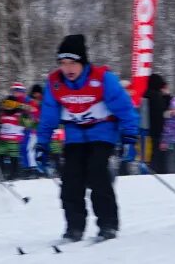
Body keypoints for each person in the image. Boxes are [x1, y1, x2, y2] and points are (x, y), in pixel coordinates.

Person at [33, 34, 140, 242]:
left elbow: (125, 109)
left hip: (103, 132)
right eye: (63, 63)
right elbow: (48, 117)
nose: (68, 69)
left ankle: (108, 224)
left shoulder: (102, 79)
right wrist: (42, 144)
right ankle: (74, 227)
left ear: (82, 62)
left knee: (97, 172)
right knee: (71, 179)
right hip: (75, 135)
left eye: (72, 63)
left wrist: (129, 136)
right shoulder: (55, 83)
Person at [0, 83, 33, 179]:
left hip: (17, 134)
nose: (16, 93)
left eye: (18, 91)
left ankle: (20, 171)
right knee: (2, 153)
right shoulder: (7, 104)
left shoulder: (25, 101)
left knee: (18, 152)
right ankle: (3, 172)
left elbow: (30, 114)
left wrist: (24, 113)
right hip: (5, 136)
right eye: (14, 91)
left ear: (22, 92)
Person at [142, 73, 170, 172]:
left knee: (152, 153)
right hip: (158, 130)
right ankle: (159, 171)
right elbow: (163, 110)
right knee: (158, 154)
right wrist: (167, 96)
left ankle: (152, 170)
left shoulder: (146, 94)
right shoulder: (155, 95)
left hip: (148, 129)